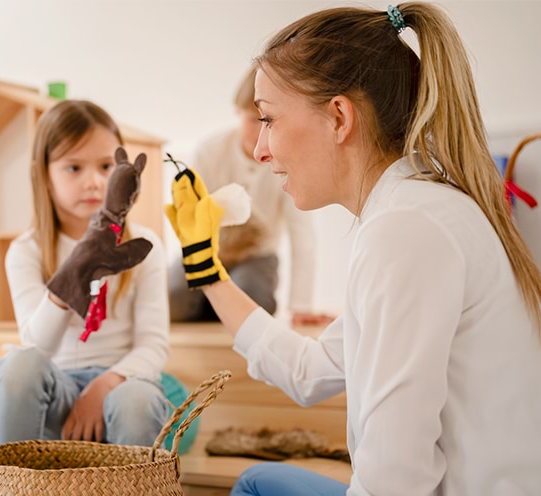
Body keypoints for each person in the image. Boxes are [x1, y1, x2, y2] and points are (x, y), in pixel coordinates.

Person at [166, 3, 541, 495]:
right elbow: (310, 372)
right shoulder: (414, 210)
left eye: (269, 119)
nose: (259, 149)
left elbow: (393, 481)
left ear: (339, 117)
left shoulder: (406, 231)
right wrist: (204, 264)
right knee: (258, 480)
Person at [0, 100, 170, 447]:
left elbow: (154, 345)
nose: (93, 182)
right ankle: (13, 484)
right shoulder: (26, 251)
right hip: (55, 395)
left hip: (120, 389)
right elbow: (36, 349)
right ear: (43, 174)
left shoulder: (146, 245)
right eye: (73, 168)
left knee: (137, 401)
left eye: (106, 166)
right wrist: (72, 274)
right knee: (17, 365)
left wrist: (105, 385)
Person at [168, 66, 332, 327]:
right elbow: (191, 212)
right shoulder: (210, 151)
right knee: (172, 300)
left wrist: (301, 305)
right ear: (237, 113)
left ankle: (222, 308)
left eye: (267, 121)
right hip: (208, 252)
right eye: (251, 119)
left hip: (257, 256)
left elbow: (301, 231)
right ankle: (214, 307)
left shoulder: (287, 160)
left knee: (255, 299)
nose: (259, 131)